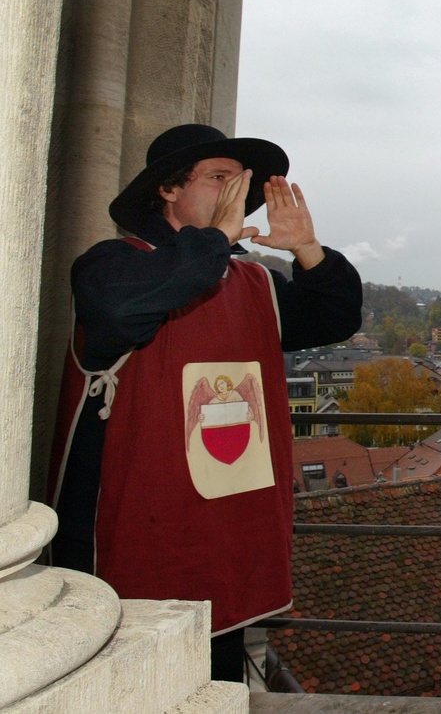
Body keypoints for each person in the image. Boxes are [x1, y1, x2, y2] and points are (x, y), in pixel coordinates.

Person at [48, 124, 363, 682]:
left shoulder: (252, 281)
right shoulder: (113, 265)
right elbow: (125, 312)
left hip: (229, 533)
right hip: (138, 537)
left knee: (217, 684)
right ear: (167, 190)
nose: (234, 195)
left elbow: (335, 316)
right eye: (219, 178)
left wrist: (307, 249)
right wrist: (215, 241)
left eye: (240, 183)